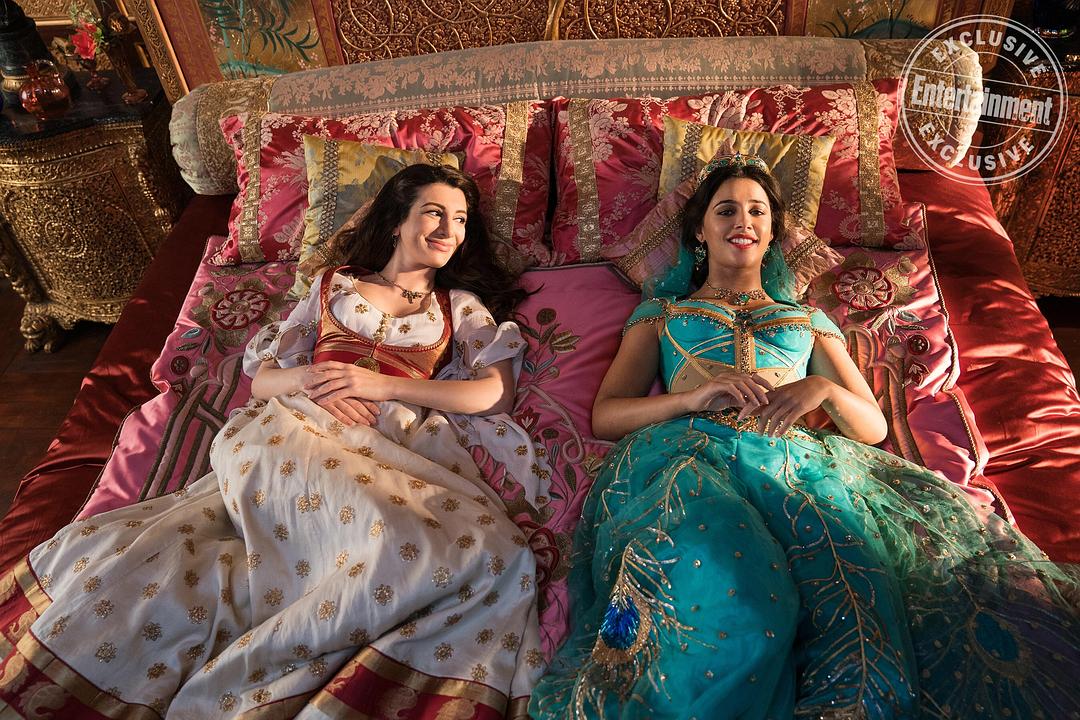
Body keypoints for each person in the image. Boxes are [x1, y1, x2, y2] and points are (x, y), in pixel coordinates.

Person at [529, 154, 1080, 719]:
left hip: (796, 466)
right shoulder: (662, 313)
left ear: (772, 233)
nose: (743, 221)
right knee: (740, 605)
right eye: (726, 210)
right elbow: (607, 416)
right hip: (689, 457)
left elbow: (873, 427)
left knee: (852, 612)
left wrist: (823, 389)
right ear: (699, 231)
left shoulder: (808, 320)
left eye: (757, 211)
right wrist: (689, 400)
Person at [0, 164, 548, 718]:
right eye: (434, 213)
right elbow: (262, 379)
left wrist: (380, 385)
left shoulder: (459, 307)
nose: (449, 230)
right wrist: (313, 379)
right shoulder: (336, 285)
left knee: (479, 549)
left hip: (386, 449)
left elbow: (493, 395)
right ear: (396, 221)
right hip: (291, 430)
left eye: (460, 219)